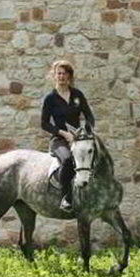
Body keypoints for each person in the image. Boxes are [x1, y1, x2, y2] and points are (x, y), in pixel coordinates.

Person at [41, 60, 95, 214]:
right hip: (59, 140)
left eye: (65, 73)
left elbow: (89, 116)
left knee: (93, 157)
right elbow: (44, 124)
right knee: (67, 160)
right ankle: (66, 197)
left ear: (69, 76)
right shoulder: (50, 98)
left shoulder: (77, 95)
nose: (61, 76)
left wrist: (86, 130)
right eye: (59, 73)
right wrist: (63, 133)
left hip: (78, 139)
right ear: (54, 76)